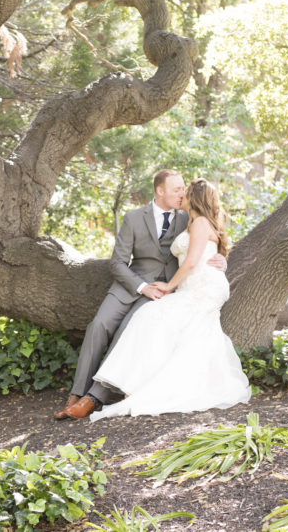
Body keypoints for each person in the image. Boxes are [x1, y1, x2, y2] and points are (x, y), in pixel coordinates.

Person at [54, 170, 227, 421]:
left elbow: (206, 246)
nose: (181, 194)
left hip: (163, 288)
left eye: (183, 190)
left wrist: (221, 259)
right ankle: (76, 392)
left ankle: (93, 398)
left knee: (129, 329)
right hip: (130, 285)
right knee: (98, 326)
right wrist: (140, 286)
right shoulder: (134, 218)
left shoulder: (187, 217)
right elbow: (117, 263)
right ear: (160, 191)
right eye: (176, 189)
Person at [89, 178, 251, 421]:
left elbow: (193, 260)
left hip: (201, 287)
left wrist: (168, 285)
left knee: (151, 316)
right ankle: (163, 383)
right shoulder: (192, 222)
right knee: (188, 333)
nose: (180, 196)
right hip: (195, 285)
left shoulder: (200, 223)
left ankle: (145, 387)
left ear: (194, 198)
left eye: (184, 193)